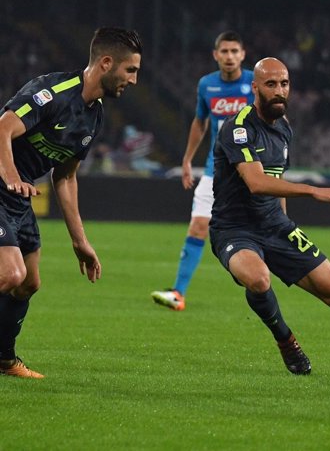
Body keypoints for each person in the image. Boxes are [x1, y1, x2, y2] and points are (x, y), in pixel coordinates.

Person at [209, 57, 330, 376]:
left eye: (284, 83)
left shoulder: (284, 129)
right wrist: (314, 191)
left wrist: (288, 228)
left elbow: (278, 186)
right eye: (271, 84)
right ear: (255, 87)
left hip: (276, 227)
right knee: (259, 280)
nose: (279, 91)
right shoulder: (239, 129)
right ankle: (285, 339)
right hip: (235, 230)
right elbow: (257, 184)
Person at [0, 27, 142, 378]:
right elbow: (2, 128)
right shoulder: (54, 92)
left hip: (18, 197)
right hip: (4, 186)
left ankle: (3, 359)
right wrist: (11, 176)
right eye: (131, 70)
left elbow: (65, 178)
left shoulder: (93, 116)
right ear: (107, 63)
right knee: (10, 273)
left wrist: (80, 241)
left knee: (28, 282)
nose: (134, 80)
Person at [151, 31, 253, 311]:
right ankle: (178, 293)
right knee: (198, 226)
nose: (230, 57)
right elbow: (200, 123)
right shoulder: (207, 85)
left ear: (243, 55)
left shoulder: (254, 83)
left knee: (260, 230)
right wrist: (186, 159)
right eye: (225, 51)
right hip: (215, 169)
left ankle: (263, 282)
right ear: (215, 55)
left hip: (250, 171)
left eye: (235, 51)